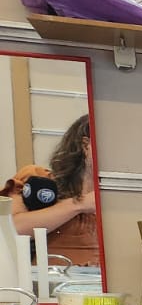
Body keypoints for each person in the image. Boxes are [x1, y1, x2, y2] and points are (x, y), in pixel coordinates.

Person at [3, 114, 101, 267]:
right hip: (49, 284)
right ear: (85, 145)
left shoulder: (122, 195)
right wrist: (79, 204)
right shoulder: (39, 179)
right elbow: (12, 227)